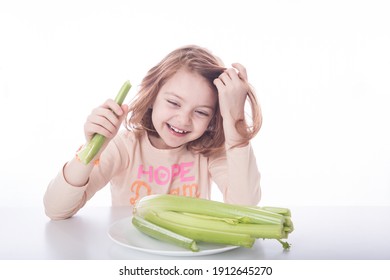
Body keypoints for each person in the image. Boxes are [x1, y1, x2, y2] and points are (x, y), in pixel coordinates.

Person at [44, 45, 262, 220]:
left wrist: (236, 125)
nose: (183, 120)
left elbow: (245, 210)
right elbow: (56, 209)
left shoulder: (209, 152)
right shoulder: (124, 147)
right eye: (174, 103)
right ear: (152, 97)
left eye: (201, 112)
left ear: (214, 116)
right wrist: (91, 150)